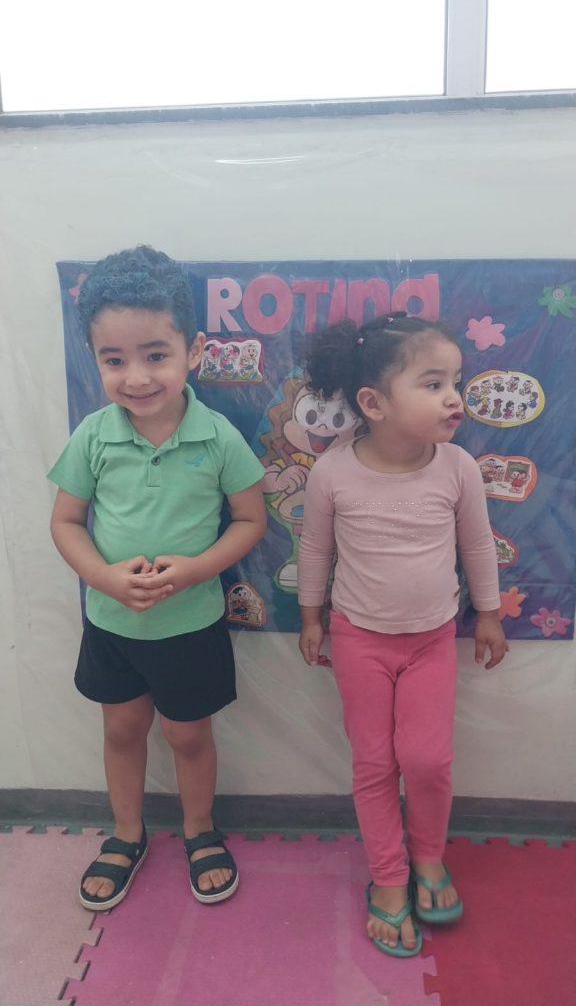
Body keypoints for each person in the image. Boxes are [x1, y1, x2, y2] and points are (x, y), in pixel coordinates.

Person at [48, 246, 266, 911]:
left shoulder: (218, 437)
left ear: (192, 351)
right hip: (112, 623)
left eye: (155, 355)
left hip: (191, 622)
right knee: (121, 729)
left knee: (188, 734)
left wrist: (198, 568)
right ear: (94, 359)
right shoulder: (93, 436)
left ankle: (199, 829)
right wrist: (103, 579)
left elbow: (250, 519)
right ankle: (126, 832)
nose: (137, 377)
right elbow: (66, 522)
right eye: (114, 360)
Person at [297, 314, 507, 957]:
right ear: (374, 403)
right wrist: (310, 616)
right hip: (357, 638)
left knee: (427, 760)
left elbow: (477, 545)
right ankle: (388, 878)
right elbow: (316, 548)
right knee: (375, 763)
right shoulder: (333, 472)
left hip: (432, 640)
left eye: (457, 382)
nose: (454, 398)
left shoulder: (458, 467)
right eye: (434, 384)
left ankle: (429, 857)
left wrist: (490, 613)